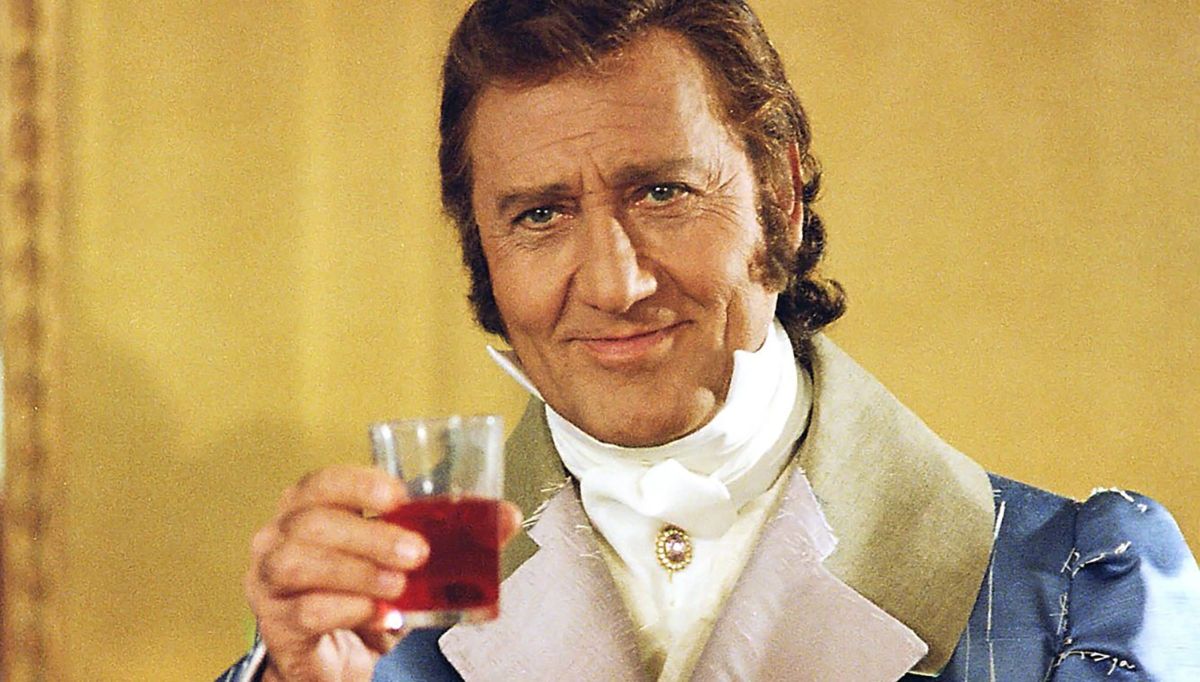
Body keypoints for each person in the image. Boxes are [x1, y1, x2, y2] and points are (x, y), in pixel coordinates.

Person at [219, 1, 1200, 680]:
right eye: (539, 215)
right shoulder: (373, 626)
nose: (615, 284)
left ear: (781, 191)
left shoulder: (1079, 596)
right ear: (480, 245)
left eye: (662, 192)